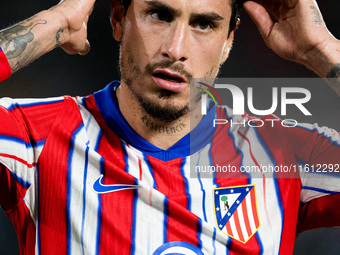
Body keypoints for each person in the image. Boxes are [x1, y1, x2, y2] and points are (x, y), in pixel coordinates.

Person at [0, 0, 339, 254]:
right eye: (160, 15)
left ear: (228, 43)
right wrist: (57, 21)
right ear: (118, 19)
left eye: (204, 24)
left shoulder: (284, 155)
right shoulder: (36, 136)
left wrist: (321, 50)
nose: (176, 49)